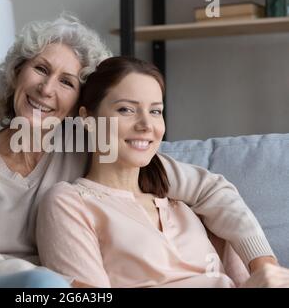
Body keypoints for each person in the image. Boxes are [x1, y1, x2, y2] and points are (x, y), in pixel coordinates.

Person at [0, 14, 277, 288]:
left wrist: (263, 265)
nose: (47, 89)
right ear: (17, 74)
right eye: (40, 70)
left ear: (81, 104)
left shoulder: (86, 147)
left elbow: (207, 189)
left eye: (67, 82)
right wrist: (58, 277)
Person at [36, 56, 289, 288]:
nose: (146, 125)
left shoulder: (186, 205)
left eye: (155, 111)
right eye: (126, 109)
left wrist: (264, 268)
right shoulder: (69, 203)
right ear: (87, 119)